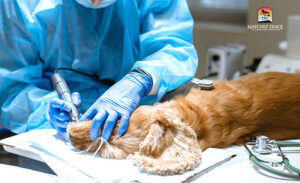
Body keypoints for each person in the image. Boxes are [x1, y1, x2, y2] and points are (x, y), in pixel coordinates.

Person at [0, 0, 198, 142]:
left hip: (138, 127)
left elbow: (174, 49)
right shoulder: (20, 5)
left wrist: (141, 79)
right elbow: (11, 86)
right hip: (53, 141)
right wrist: (43, 112)